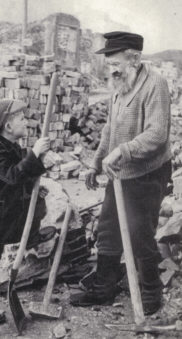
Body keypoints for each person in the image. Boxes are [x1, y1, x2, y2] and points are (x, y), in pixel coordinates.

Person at [71, 31, 172, 315]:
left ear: (135, 59)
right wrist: (96, 161)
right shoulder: (120, 83)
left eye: (116, 63)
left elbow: (157, 134)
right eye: (109, 63)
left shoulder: (156, 84)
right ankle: (104, 287)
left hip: (148, 172)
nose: (111, 69)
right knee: (108, 227)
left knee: (140, 232)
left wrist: (124, 151)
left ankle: (151, 291)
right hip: (119, 172)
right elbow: (109, 128)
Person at [0, 99, 56, 325]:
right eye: (22, 119)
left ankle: (32, 236)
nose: (27, 122)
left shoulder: (9, 146)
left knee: (37, 201)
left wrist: (42, 161)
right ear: (7, 127)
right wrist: (35, 154)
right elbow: (14, 175)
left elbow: (23, 168)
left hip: (2, 213)